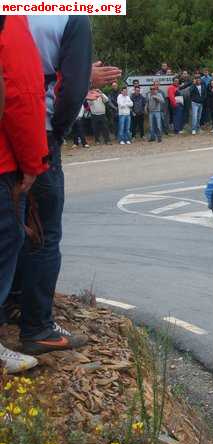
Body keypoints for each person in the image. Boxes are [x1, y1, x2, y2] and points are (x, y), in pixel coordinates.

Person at [11, 15, 92, 355]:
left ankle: (11, 305)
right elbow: (74, 89)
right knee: (44, 234)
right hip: (37, 123)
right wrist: (57, 130)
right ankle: (38, 326)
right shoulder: (70, 14)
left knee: (9, 225)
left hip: (5, 126)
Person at [0, 15, 49, 371]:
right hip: (2, 161)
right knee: (6, 241)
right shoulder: (11, 20)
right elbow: (20, 91)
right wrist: (33, 161)